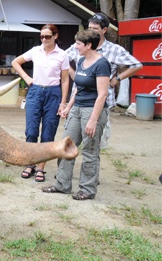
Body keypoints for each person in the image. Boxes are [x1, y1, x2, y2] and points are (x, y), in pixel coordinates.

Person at [42, 30, 111, 200]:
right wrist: (68, 107)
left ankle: (87, 189)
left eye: (78, 44)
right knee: (66, 146)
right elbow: (78, 88)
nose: (76, 47)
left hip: (93, 110)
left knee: (89, 150)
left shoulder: (102, 64)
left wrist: (93, 120)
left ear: (89, 45)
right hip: (77, 108)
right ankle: (62, 184)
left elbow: (102, 94)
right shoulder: (81, 61)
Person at [65, 13, 142, 148]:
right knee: (70, 143)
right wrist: (74, 74)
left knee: (94, 145)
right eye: (89, 27)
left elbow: (137, 65)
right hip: (78, 99)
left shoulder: (114, 49)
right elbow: (62, 60)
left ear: (104, 30)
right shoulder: (79, 45)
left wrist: (117, 78)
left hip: (101, 101)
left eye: (94, 28)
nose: (91, 31)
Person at [12, 24, 70, 182]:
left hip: (53, 93)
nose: (44, 39)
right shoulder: (35, 51)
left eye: (48, 36)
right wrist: (27, 78)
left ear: (55, 36)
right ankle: (30, 163)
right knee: (31, 131)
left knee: (48, 132)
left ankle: (41, 168)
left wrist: (63, 102)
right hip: (35, 92)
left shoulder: (62, 55)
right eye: (42, 36)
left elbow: (65, 80)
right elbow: (16, 62)